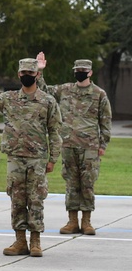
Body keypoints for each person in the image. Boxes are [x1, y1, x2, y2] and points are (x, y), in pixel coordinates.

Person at [0, 58, 61, 257]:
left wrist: (53, 158)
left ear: (37, 75)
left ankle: (35, 241)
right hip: (15, 158)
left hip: (37, 159)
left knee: (36, 199)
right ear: (19, 75)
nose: (27, 76)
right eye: (24, 73)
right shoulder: (8, 98)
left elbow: (54, 131)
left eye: (31, 73)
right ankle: (20, 241)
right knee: (17, 199)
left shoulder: (47, 101)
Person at [36, 53, 112, 235]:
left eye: (83, 71)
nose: (80, 73)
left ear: (90, 72)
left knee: (87, 183)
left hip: (90, 146)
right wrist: (39, 71)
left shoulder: (99, 94)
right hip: (68, 145)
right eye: (77, 70)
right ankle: (72, 221)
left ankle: (86, 221)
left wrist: (103, 144)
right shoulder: (65, 90)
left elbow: (106, 121)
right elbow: (43, 90)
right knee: (71, 183)